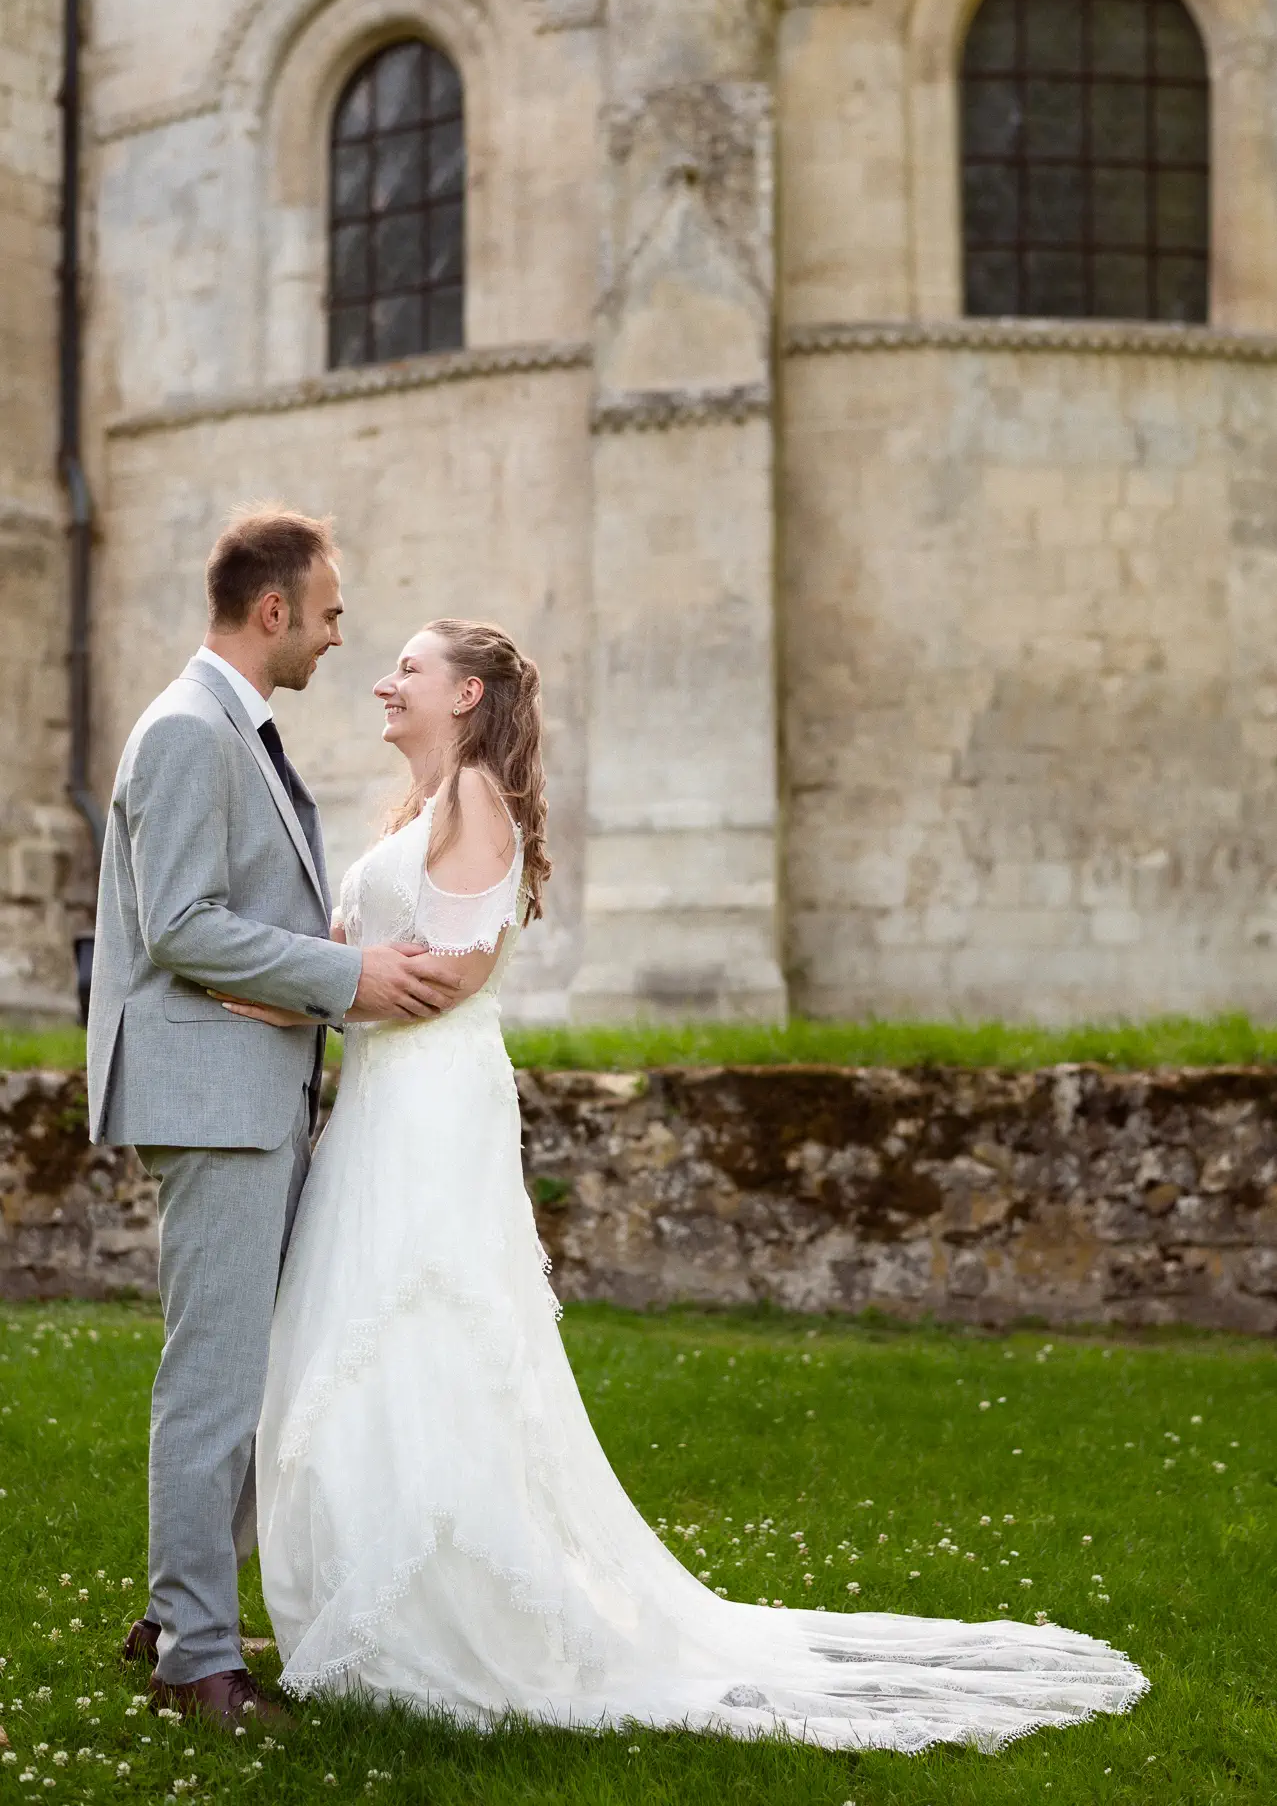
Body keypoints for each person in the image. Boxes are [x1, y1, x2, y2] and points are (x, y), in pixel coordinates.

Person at [218, 616, 1149, 1751]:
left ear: (465, 696)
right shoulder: (414, 811)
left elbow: (451, 975)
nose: (382, 682)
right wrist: (252, 988)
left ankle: (442, 1605)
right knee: (353, 1333)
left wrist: (335, 986)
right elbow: (346, 954)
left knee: (426, 1324)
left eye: (407, 668)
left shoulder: (476, 802)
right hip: (377, 1101)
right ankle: (366, 1589)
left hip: (426, 1101)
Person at [87, 505, 458, 1728]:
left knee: (257, 1373)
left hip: (252, 1091)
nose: (340, 639)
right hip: (216, 1103)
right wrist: (342, 978)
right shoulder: (191, 729)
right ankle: (196, 1657)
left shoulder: (230, 725)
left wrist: (302, 968)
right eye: (332, 613)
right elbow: (183, 923)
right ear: (273, 611)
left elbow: (218, 925)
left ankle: (173, 1609)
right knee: (218, 1380)